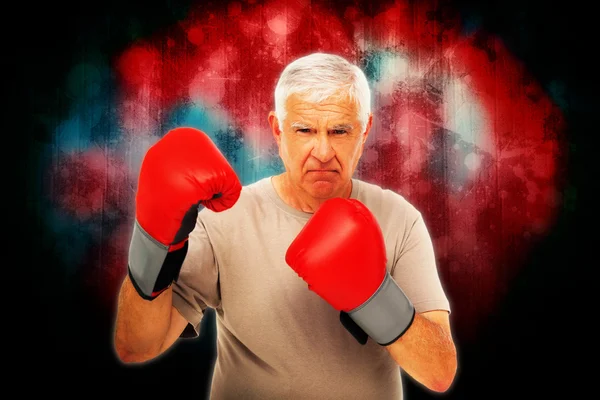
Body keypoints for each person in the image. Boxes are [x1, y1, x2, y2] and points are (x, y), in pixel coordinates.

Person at [113, 52, 457, 399]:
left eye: (339, 130)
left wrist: (377, 298)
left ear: (364, 130)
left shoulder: (399, 219)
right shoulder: (228, 217)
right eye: (304, 130)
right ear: (278, 130)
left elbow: (439, 372)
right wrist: (154, 244)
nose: (322, 151)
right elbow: (137, 346)